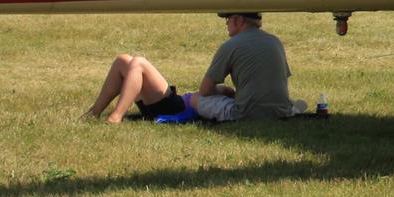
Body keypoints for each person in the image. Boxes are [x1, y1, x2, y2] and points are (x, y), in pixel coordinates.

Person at [84, 13, 296, 124]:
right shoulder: (275, 41)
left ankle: (115, 117)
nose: (226, 24)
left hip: (174, 106)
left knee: (138, 62)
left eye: (228, 19)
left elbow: (204, 91)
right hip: (280, 109)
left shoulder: (231, 45)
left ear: (239, 20)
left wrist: (222, 91)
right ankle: (93, 113)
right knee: (123, 60)